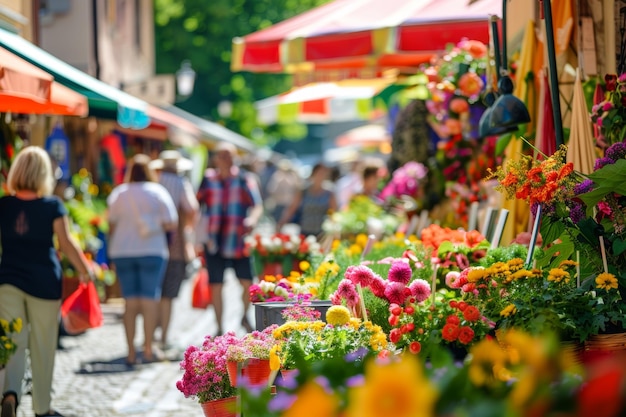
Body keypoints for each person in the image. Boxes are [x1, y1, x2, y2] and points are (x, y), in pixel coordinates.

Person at [0, 146, 95, 417]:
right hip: (44, 283)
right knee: (43, 345)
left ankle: (10, 394)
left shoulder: (3, 205)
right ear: (44, 174)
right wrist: (85, 269)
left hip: (8, 281)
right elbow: (66, 244)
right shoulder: (53, 205)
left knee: (13, 341)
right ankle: (42, 407)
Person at [106, 154, 178, 365]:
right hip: (152, 250)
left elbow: (110, 224)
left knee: (130, 302)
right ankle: (147, 349)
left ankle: (130, 353)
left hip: (123, 251)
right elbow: (171, 222)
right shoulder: (158, 192)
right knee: (149, 300)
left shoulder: (119, 193)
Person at [196, 142, 263, 335]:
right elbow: (197, 204)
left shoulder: (244, 179)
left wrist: (252, 219)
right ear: (216, 158)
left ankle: (243, 316)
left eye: (230, 155)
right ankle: (219, 327)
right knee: (216, 285)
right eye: (223, 155)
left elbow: (257, 205)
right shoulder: (208, 179)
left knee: (247, 283)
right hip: (213, 241)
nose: (227, 159)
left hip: (238, 239)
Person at [149, 150, 199, 351]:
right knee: (168, 294)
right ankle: (163, 338)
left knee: (153, 292)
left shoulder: (155, 183)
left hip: (151, 244)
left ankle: (150, 335)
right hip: (174, 245)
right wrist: (186, 227)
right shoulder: (181, 183)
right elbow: (192, 208)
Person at [277, 162, 337, 237]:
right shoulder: (303, 191)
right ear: (313, 174)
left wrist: (333, 227)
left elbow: (333, 212)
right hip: (305, 232)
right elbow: (291, 208)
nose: (321, 176)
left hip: (322, 233)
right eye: (319, 173)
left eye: (323, 174)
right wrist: (282, 223)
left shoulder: (329, 193)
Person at [265, 159, 302, 224]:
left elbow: (297, 189)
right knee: (277, 221)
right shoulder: (277, 176)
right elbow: (271, 189)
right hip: (279, 203)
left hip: (288, 204)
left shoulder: (290, 177)